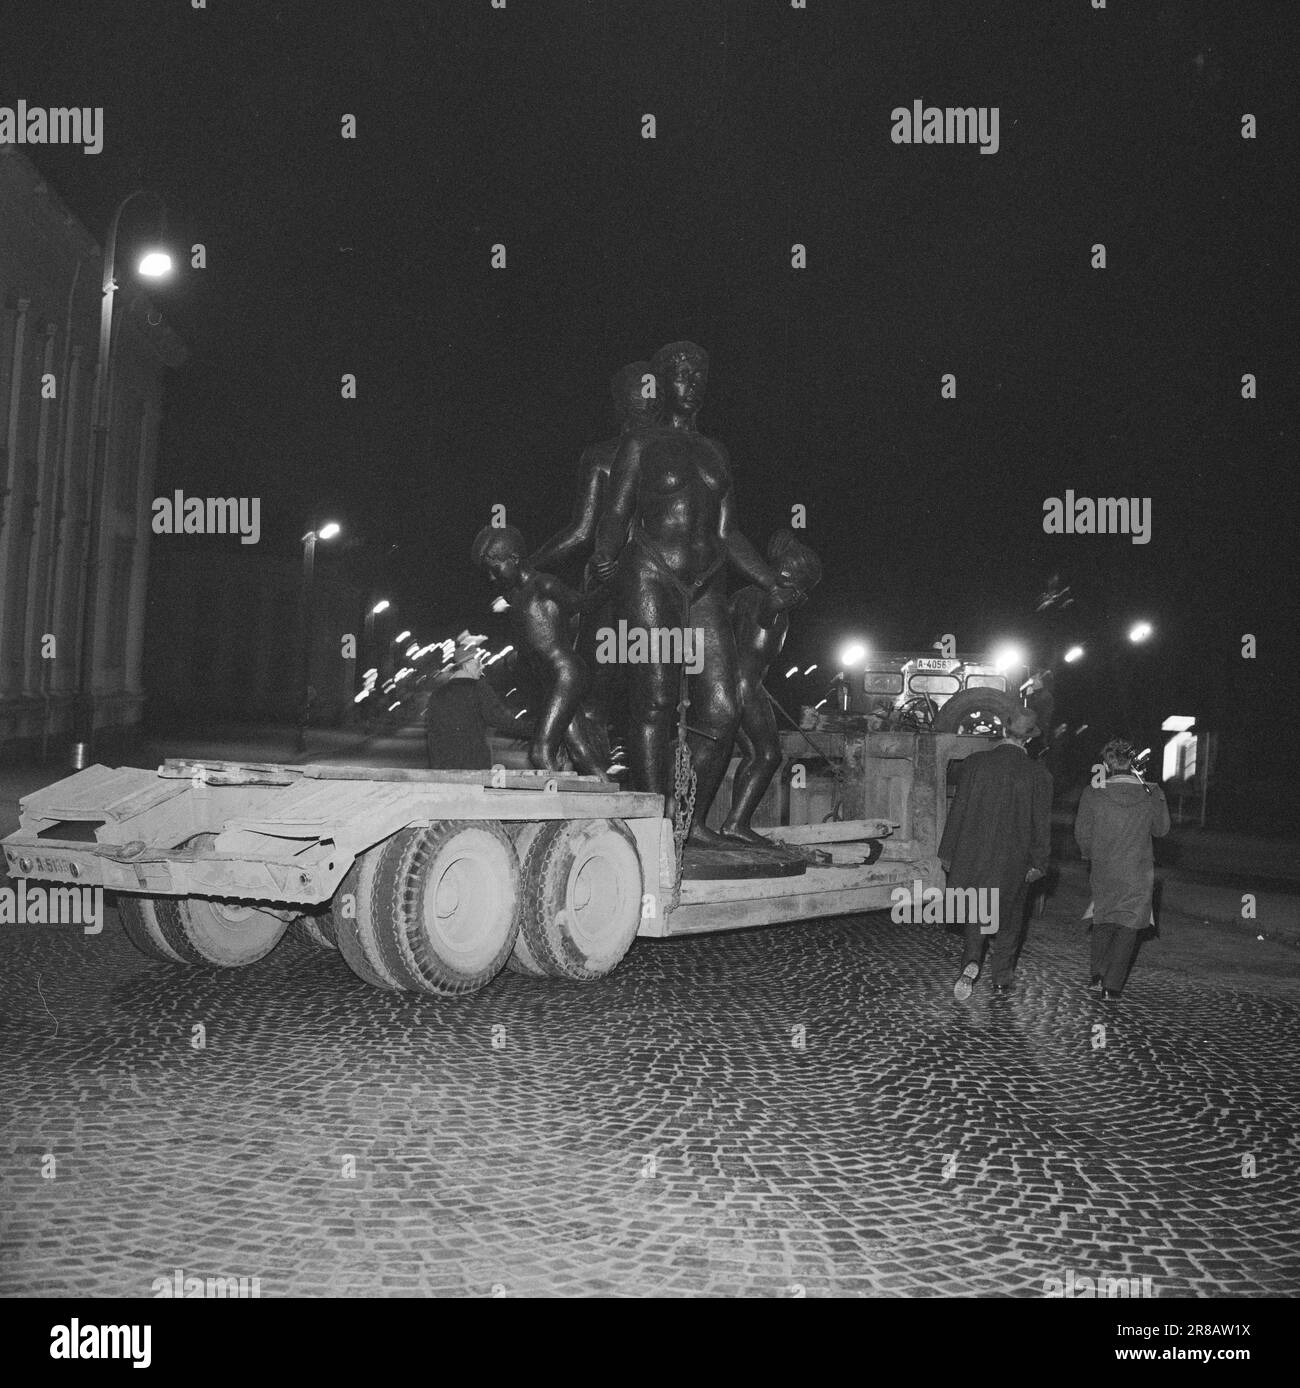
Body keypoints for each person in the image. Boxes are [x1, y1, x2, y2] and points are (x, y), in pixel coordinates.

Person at [591, 341, 793, 846]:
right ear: (661, 383)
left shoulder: (715, 452)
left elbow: (729, 533)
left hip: (705, 585)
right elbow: (615, 515)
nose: (691, 379)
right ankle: (655, 823)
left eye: (699, 371)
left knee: (722, 710)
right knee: (656, 699)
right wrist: (604, 555)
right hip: (651, 574)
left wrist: (772, 580)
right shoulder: (641, 445)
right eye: (680, 371)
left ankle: (692, 822)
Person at [471, 524, 605, 774]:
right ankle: (607, 792)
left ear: (514, 559)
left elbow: (584, 605)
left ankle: (555, 807)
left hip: (566, 674)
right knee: (580, 751)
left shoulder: (544, 585)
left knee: (540, 752)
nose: (491, 578)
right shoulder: (514, 594)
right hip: (550, 680)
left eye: (495, 569)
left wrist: (609, 582)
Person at [941, 709, 1053, 999]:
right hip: (1014, 860)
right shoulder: (1038, 774)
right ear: (1028, 740)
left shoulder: (975, 763)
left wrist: (948, 853)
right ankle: (1002, 978)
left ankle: (971, 961)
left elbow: (959, 810)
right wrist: (1039, 862)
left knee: (977, 912)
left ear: (1004, 729)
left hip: (974, 853)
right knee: (1011, 919)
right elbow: (1041, 823)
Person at [720, 530, 823, 844]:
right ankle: (735, 824)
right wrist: (782, 594)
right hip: (744, 687)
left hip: (727, 683)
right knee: (767, 755)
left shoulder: (741, 596)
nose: (803, 598)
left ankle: (731, 824)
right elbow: (770, 607)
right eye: (804, 587)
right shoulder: (772, 600)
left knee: (748, 752)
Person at [1074, 737, 1170, 1003]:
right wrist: (1153, 792)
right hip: (1138, 870)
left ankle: (1097, 974)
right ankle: (1112, 987)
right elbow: (1161, 830)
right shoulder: (1150, 792)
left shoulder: (1093, 792)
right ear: (1133, 762)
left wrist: (1090, 855)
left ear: (1106, 763)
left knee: (1103, 919)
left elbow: (1082, 833)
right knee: (1129, 926)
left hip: (1104, 867)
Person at [423, 633, 531, 771]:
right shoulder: (479, 689)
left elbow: (432, 734)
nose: (482, 668)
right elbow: (502, 721)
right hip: (474, 768)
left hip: (442, 767)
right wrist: (537, 730)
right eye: (479, 663)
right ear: (468, 665)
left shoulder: (437, 694)